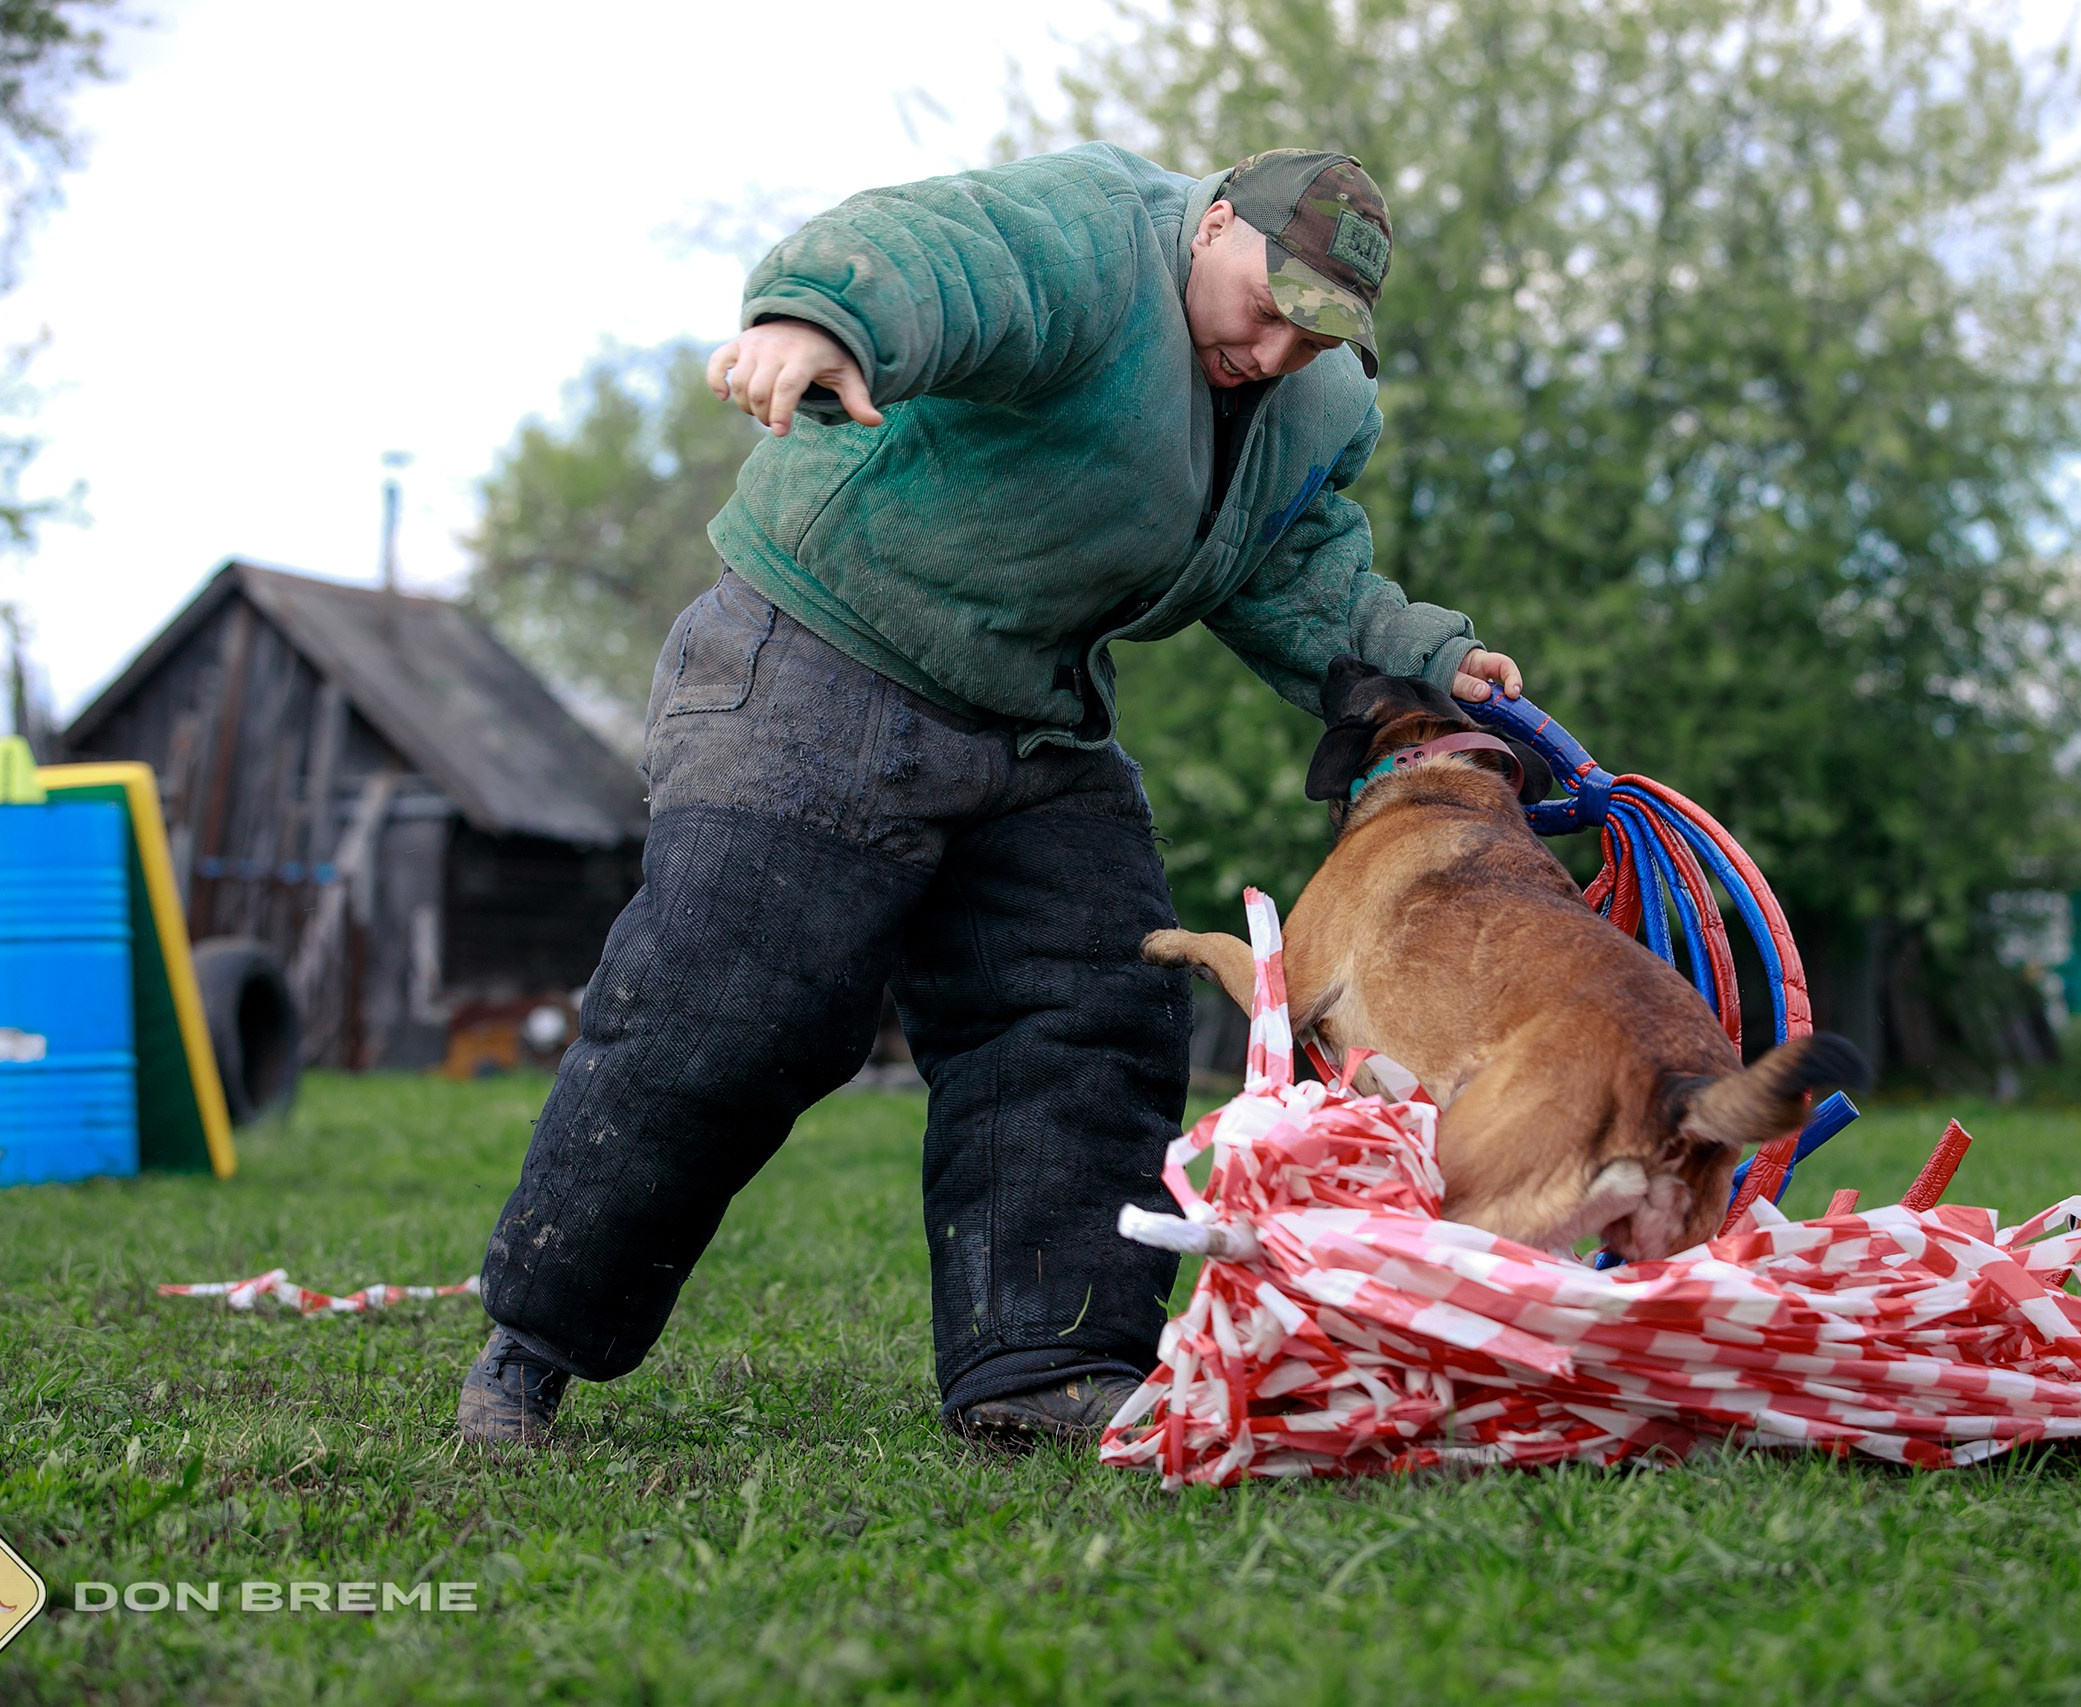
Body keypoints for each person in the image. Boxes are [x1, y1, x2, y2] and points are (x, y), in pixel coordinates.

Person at [459, 144, 1525, 1448]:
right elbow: (945, 257)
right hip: (814, 653)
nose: (1280, 349)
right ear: (1213, 224)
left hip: (1029, 718)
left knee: (1089, 999)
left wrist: (1422, 657)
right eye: (1269, 304)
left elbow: (1292, 569)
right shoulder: (1089, 238)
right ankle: (533, 1347)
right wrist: (817, 318)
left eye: (1320, 334)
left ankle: (1044, 1364)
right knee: (735, 1005)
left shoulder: (1313, 405)